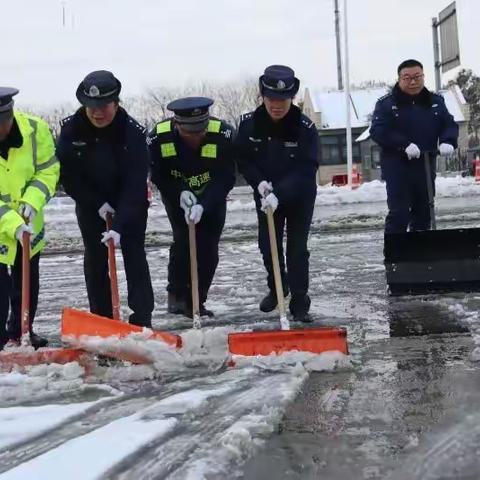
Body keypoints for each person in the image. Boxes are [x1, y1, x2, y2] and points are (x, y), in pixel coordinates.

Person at [56, 70, 154, 328]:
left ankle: (141, 320)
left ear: (116, 103)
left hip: (129, 203)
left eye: (103, 107)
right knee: (95, 259)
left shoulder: (132, 132)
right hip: (91, 203)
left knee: (134, 255)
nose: (97, 113)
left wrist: (119, 224)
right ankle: (102, 319)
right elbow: (69, 176)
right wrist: (96, 203)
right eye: (91, 107)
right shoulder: (71, 129)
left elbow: (135, 183)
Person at [235, 65, 319, 323]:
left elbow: (307, 168)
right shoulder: (249, 124)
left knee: (297, 249)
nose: (277, 105)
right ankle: (277, 288)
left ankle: (300, 301)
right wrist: (258, 183)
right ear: (263, 96)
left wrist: (279, 192)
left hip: (299, 196)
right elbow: (243, 159)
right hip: (265, 194)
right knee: (267, 245)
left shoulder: (304, 127)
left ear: (291, 98)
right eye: (272, 98)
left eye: (283, 99)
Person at [148, 97, 235, 317]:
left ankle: (197, 300)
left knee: (209, 248)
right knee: (183, 241)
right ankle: (177, 295)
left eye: (201, 131)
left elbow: (225, 177)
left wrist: (204, 204)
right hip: (177, 195)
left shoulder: (222, 134)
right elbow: (159, 175)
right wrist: (180, 193)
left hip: (212, 196)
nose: (197, 136)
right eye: (190, 133)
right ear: (177, 126)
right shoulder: (158, 137)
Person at [0, 87, 59, 349]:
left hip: (29, 217)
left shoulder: (36, 130)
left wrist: (31, 202)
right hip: (3, 221)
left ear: (9, 116)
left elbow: (48, 171)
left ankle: (22, 331)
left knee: (26, 280)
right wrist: (12, 223)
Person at [370, 59, 459, 233]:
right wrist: (403, 145)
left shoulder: (436, 102)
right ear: (399, 79)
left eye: (417, 77)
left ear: (423, 77)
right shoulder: (386, 104)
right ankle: (395, 254)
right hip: (397, 165)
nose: (412, 82)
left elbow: (448, 124)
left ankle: (420, 253)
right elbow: (379, 131)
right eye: (407, 77)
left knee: (424, 211)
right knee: (399, 213)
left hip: (425, 164)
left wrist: (448, 140)